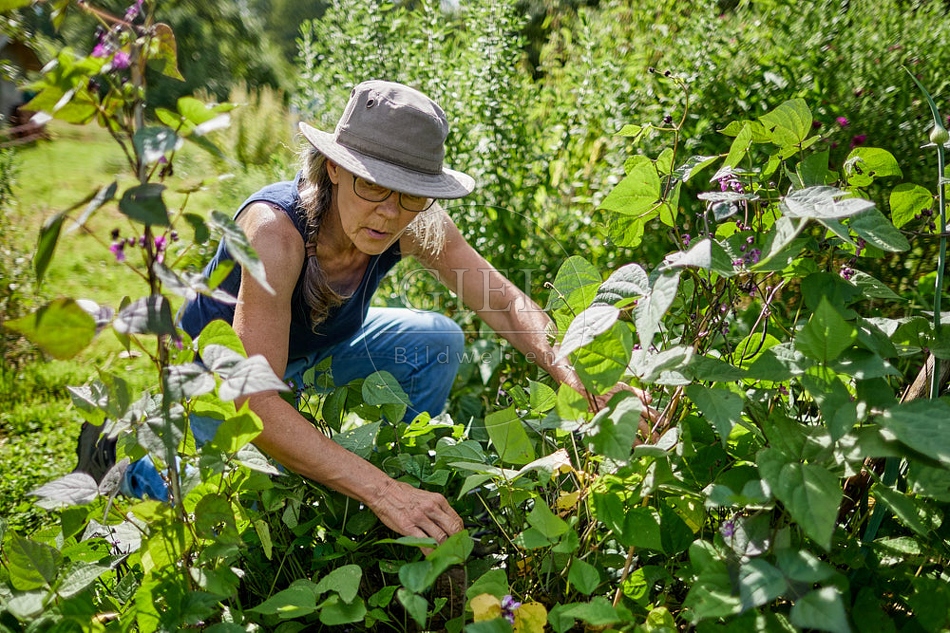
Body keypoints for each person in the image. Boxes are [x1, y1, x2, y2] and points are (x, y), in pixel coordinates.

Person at [79, 80, 647, 543]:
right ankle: (120, 459)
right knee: (223, 511)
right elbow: (252, 399)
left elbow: (499, 299)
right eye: (372, 187)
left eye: (409, 194)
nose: (388, 213)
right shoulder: (275, 233)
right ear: (333, 169)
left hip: (310, 357)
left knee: (438, 340)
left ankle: (383, 478)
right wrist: (380, 491)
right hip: (217, 383)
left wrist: (573, 367)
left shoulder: (415, 221)